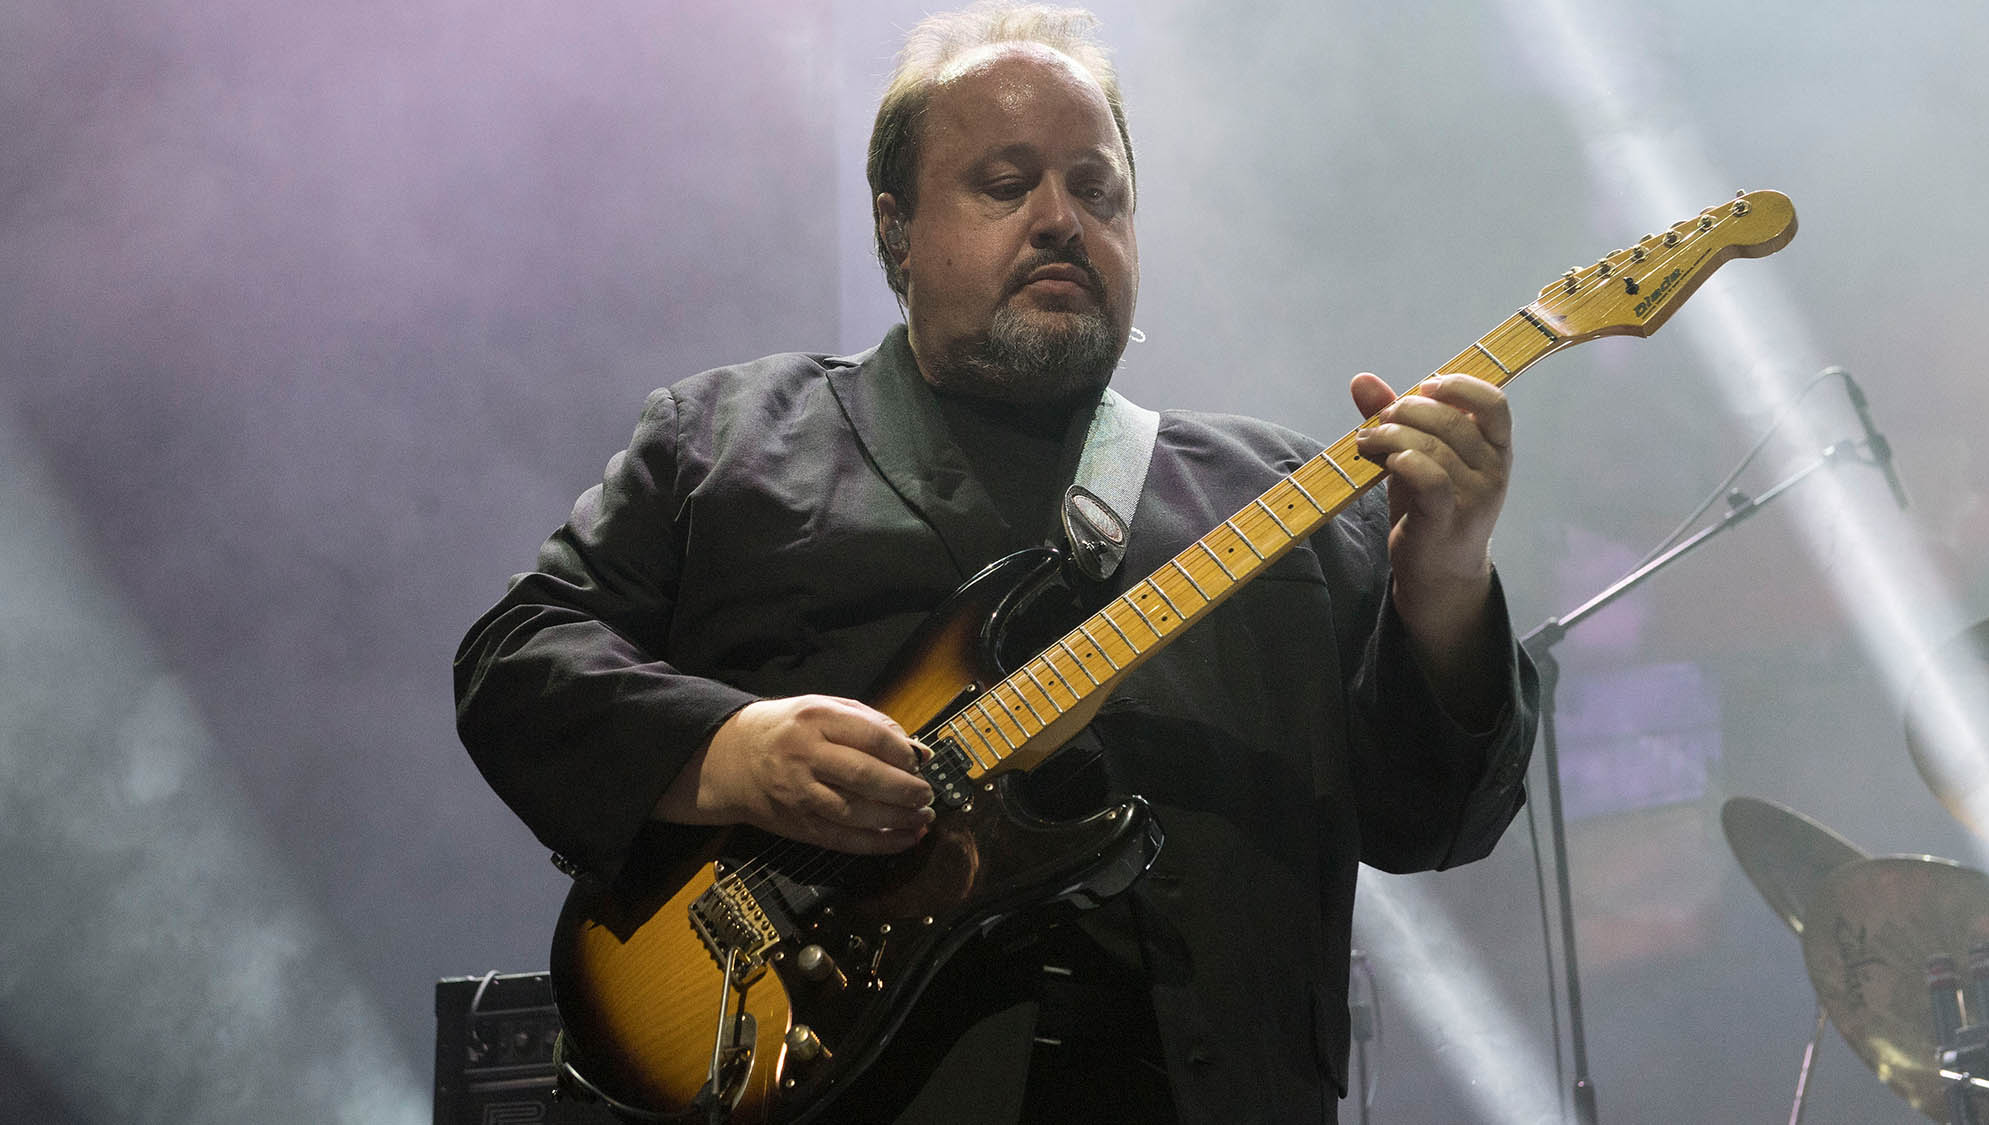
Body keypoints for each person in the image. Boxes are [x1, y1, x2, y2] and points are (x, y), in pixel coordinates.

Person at [454, 3, 1539, 1122]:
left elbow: (1440, 823)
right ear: (897, 231)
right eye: (1005, 183)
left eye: (1097, 188)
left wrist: (1446, 582)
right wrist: (730, 753)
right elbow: (517, 665)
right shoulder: (727, 441)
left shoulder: (1285, 499)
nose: (1062, 219)